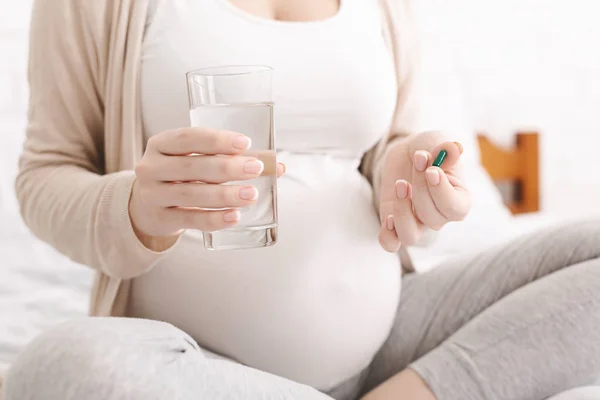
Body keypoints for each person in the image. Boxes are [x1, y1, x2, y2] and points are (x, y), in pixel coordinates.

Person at [3, 0, 600, 399]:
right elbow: (46, 174)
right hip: (189, 363)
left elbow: (388, 144)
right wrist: (132, 206)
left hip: (389, 336)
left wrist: (407, 169)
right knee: (60, 367)